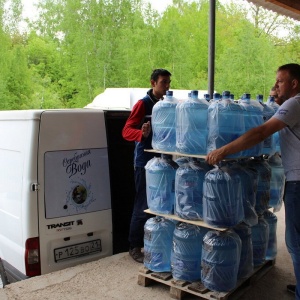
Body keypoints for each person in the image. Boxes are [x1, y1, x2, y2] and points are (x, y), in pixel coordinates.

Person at [206, 63, 300, 299]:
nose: (275, 86)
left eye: (279, 81)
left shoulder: (295, 103)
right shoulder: (292, 104)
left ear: (294, 83)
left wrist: (224, 150)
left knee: (296, 242)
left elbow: (260, 133)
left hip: (298, 181)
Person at [122, 69, 172, 263]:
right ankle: (134, 246)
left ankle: (154, 242)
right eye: (163, 82)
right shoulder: (143, 104)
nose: (167, 86)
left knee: (161, 203)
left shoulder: (166, 105)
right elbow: (126, 131)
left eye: (169, 82)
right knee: (143, 203)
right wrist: (141, 134)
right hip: (144, 163)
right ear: (153, 83)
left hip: (162, 161)